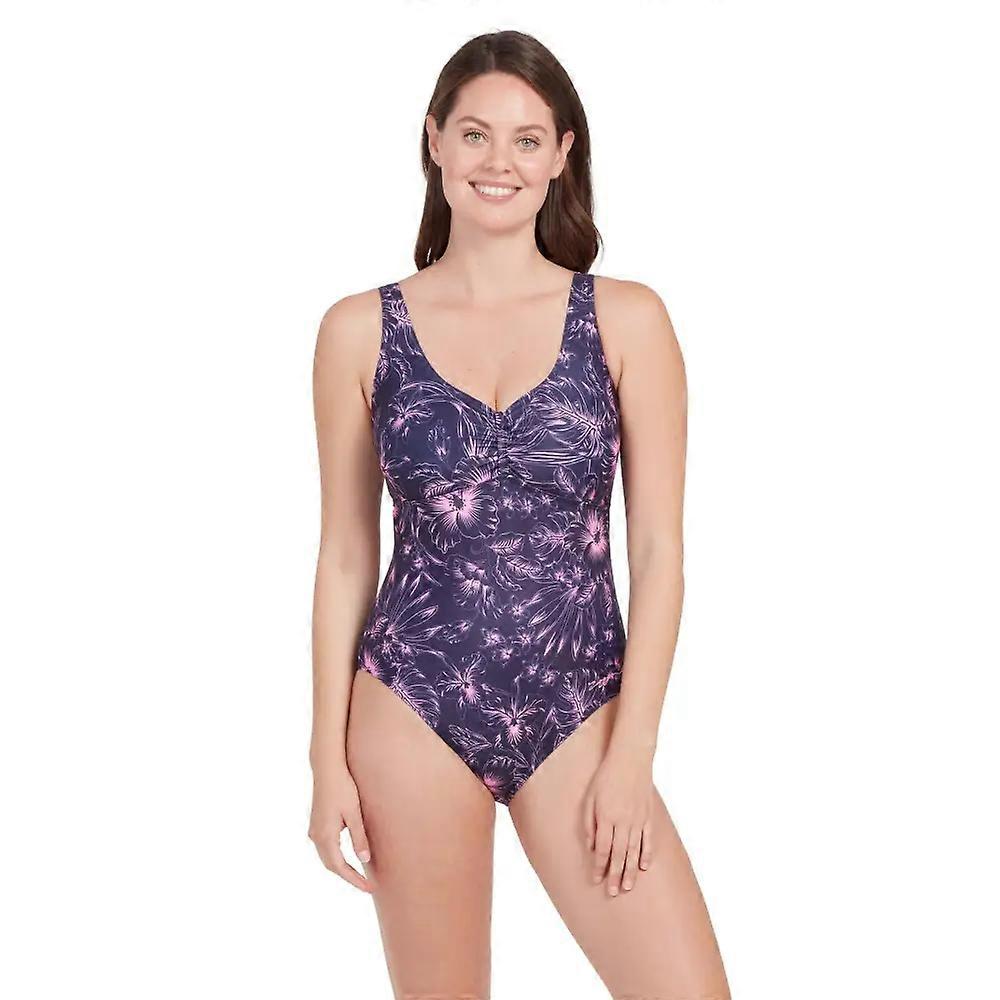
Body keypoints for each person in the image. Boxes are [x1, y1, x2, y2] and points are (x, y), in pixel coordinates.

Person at [309, 29, 731, 1000]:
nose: (498, 161)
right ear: (435, 141)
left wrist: (633, 756)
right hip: (412, 700)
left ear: (561, 155)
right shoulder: (357, 331)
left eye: (527, 139)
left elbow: (659, 552)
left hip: (581, 704)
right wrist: (324, 757)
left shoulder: (626, 319)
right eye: (475, 134)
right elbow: (344, 555)